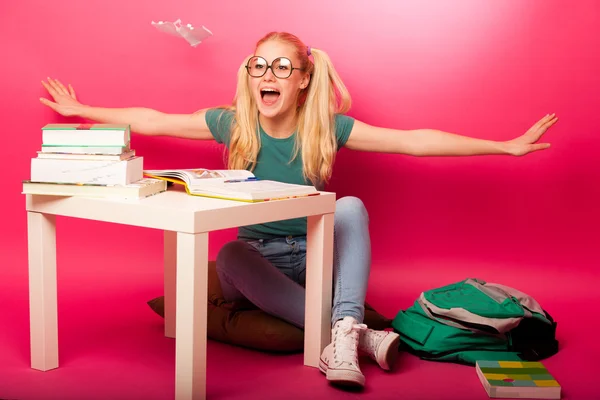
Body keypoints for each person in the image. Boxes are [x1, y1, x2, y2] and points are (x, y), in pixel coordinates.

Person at [39, 31, 558, 389]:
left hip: (317, 257)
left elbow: (415, 142)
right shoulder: (232, 124)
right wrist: (82, 109)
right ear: (250, 75)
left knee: (349, 206)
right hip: (262, 264)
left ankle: (343, 329)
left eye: (281, 66)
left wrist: (505, 146)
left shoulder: (326, 129)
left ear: (303, 80)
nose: (268, 73)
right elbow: (153, 119)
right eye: (258, 64)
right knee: (230, 255)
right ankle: (352, 334)